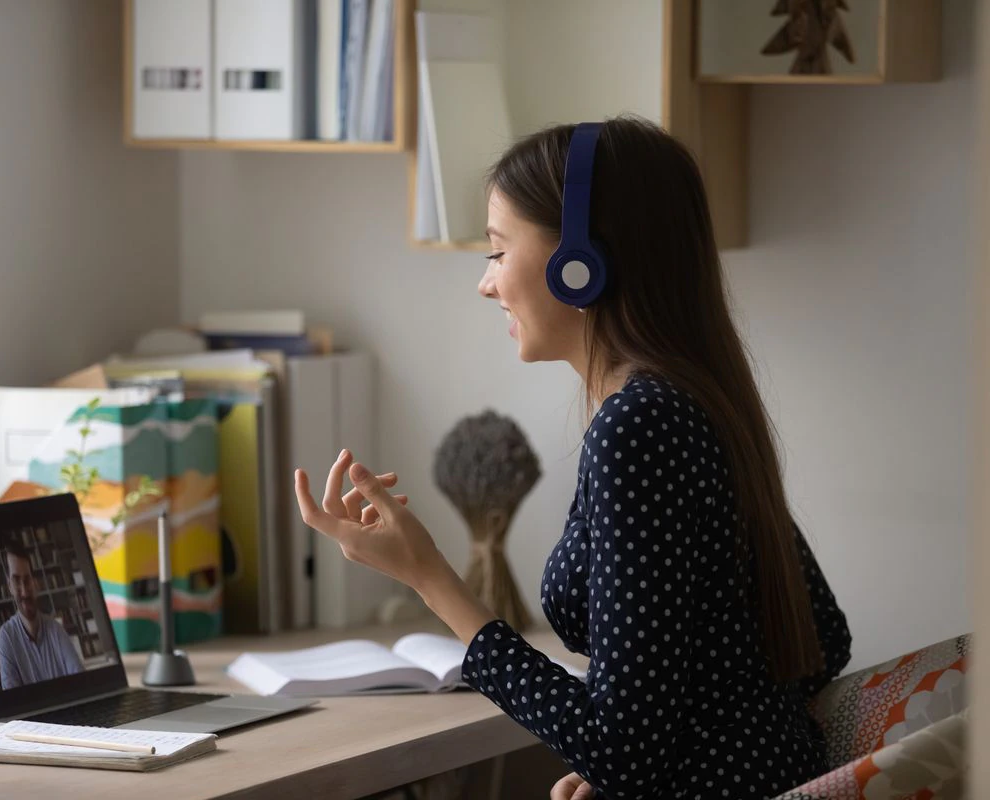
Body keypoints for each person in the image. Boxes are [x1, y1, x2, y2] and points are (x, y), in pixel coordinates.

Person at [294, 117, 851, 799]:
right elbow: (821, 641)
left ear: (579, 263)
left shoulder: (638, 427)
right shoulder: (698, 401)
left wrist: (428, 576)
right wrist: (641, 759)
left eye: (498, 251)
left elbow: (625, 749)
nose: (486, 283)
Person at [0, 540, 84, 690]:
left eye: (27, 580)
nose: (24, 591)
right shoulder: (6, 637)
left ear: (35, 583)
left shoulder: (56, 629)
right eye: (17, 581)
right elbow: (13, 700)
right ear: (9, 586)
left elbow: (81, 680)